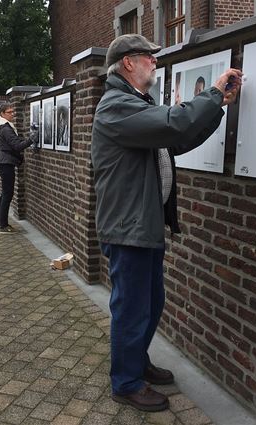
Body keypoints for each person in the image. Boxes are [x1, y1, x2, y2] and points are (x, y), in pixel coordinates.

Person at [91, 34, 241, 412]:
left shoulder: (136, 106)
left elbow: (177, 140)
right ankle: (125, 382)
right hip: (129, 228)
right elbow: (176, 125)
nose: (155, 63)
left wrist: (217, 105)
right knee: (132, 308)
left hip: (144, 224)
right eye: (149, 57)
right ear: (128, 63)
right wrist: (213, 93)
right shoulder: (116, 106)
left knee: (151, 302)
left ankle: (136, 361)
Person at [0, 104, 38, 233]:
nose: (12, 114)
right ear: (2, 113)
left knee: (5, 193)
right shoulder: (6, 129)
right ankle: (4, 226)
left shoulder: (2, 126)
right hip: (6, 164)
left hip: (4, 163)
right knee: (8, 194)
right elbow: (17, 146)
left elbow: (14, 143)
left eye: (13, 112)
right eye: (9, 112)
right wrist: (31, 139)